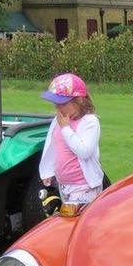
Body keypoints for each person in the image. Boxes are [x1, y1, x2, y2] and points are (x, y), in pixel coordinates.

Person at [39, 73, 104, 204]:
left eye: (62, 103)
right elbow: (54, 147)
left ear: (79, 100)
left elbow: (84, 152)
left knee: (82, 217)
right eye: (55, 103)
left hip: (84, 186)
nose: (57, 108)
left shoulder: (89, 122)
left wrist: (66, 128)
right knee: (66, 216)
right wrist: (48, 171)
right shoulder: (58, 121)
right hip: (64, 185)